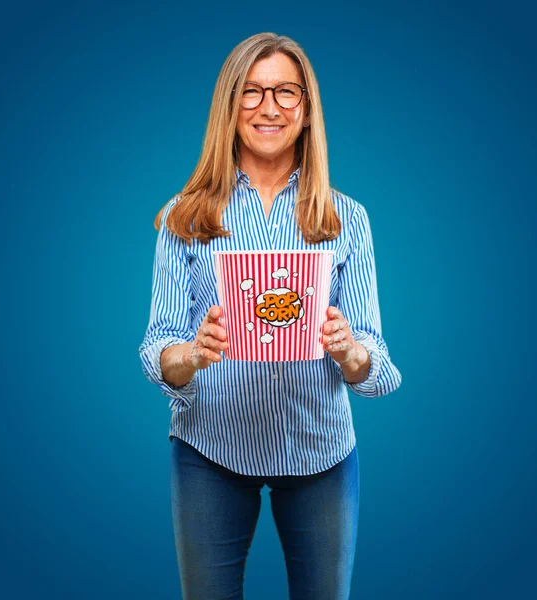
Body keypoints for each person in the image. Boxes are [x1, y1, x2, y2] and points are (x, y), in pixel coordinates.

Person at [138, 32, 402, 600]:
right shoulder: (183, 216)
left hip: (320, 453)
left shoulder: (345, 218)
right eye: (252, 92)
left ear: (306, 110)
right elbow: (157, 345)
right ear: (229, 107)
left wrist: (351, 351)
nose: (269, 107)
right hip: (210, 449)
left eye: (286, 91)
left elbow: (377, 364)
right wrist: (191, 352)